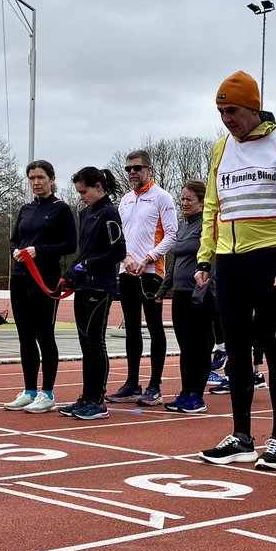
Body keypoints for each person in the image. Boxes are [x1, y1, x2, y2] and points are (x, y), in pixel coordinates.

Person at [197, 70, 276, 471]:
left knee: (272, 342)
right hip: (229, 261)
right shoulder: (220, 149)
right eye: (220, 111)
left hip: (270, 259)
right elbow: (212, 206)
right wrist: (205, 257)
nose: (226, 118)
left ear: (251, 106)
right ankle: (242, 436)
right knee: (235, 349)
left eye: (231, 110)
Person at [4, 159, 77, 414]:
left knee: (44, 334)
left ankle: (47, 392)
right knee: (24, 335)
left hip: (44, 278)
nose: (36, 183)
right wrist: (16, 251)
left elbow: (70, 245)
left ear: (52, 179)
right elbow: (14, 240)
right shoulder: (25, 209)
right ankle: (29, 390)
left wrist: (40, 251)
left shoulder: (61, 209)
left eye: (41, 178)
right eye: (32, 178)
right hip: (20, 277)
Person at [107, 150, 178, 407]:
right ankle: (132, 383)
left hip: (151, 273)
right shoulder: (125, 200)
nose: (132, 173)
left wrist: (148, 258)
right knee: (132, 329)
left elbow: (172, 235)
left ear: (149, 169)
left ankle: (155, 385)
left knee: (155, 328)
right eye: (128, 169)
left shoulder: (162, 197)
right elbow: (120, 238)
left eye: (137, 168)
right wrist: (126, 259)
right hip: (127, 271)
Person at [59, 167, 127, 420]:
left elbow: (118, 251)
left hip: (101, 286)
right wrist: (69, 274)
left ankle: (98, 401)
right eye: (78, 192)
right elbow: (84, 252)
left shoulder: (109, 212)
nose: (80, 196)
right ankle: (86, 397)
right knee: (85, 344)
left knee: (96, 342)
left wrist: (88, 266)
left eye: (83, 191)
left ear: (98, 187)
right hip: (83, 286)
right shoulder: (85, 213)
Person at [157, 180, 214, 415]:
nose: (184, 203)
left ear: (202, 201)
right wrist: (163, 289)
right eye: (182, 199)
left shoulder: (207, 227)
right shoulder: (182, 228)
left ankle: (196, 396)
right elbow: (175, 262)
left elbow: (211, 261)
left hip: (199, 294)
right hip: (180, 294)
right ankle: (185, 391)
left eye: (189, 199)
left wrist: (202, 291)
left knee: (199, 346)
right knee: (185, 346)